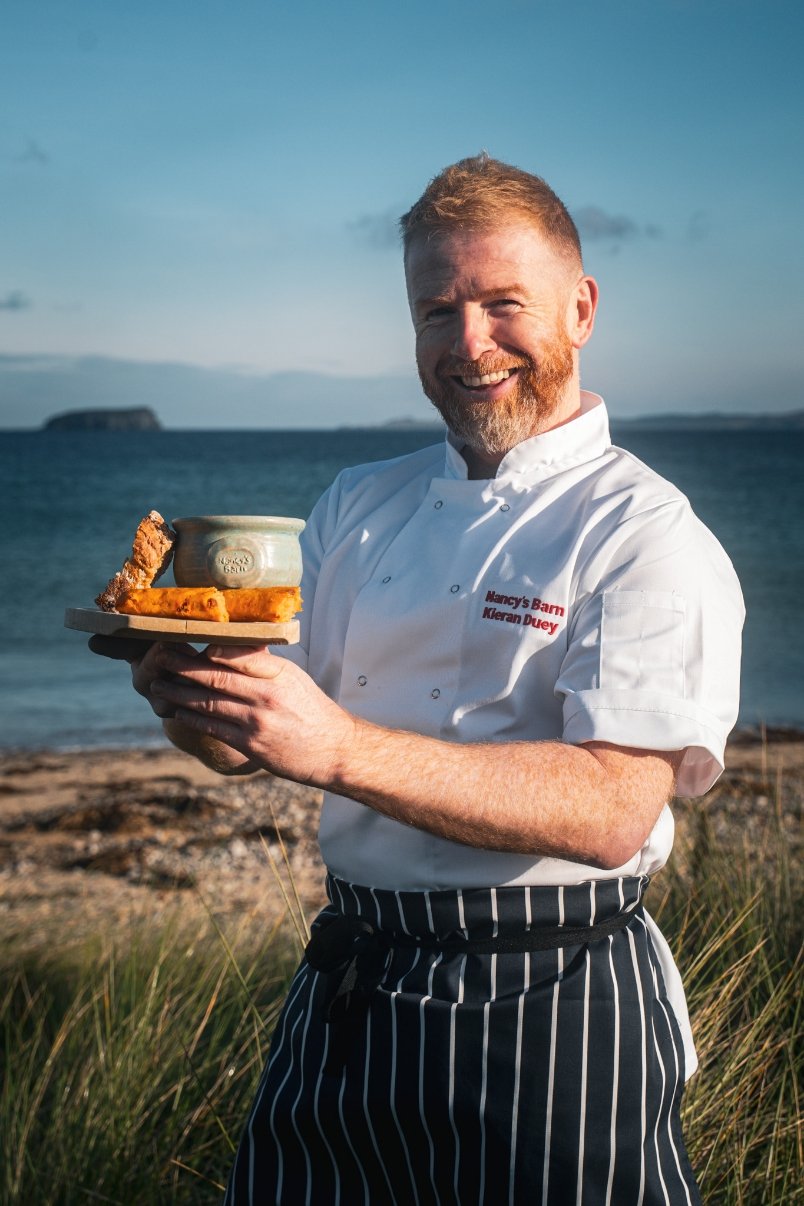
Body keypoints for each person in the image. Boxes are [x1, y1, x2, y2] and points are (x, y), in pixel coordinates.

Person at [93, 154, 744, 1204]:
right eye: (437, 312)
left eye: (502, 304)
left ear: (581, 308)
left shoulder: (645, 531)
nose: (469, 345)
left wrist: (336, 746)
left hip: (555, 997)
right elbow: (246, 745)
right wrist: (189, 698)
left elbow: (617, 808)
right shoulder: (360, 502)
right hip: (351, 980)